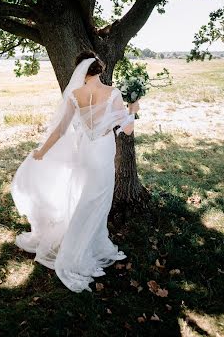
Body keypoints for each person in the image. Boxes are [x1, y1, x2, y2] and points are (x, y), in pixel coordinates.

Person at [10, 51, 140, 292]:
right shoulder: (113, 93)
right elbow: (128, 129)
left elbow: (60, 130)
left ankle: (92, 242)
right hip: (102, 151)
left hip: (85, 152)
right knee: (97, 202)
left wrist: (42, 152)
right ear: (100, 68)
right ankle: (76, 253)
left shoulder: (74, 95)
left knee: (86, 199)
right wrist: (134, 107)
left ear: (81, 71)